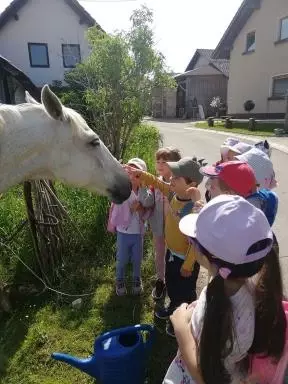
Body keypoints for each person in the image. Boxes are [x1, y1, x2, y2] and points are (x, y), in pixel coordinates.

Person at [163, 195, 286, 384]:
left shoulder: (217, 315)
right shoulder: (253, 286)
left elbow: (206, 376)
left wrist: (181, 330)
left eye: (194, 241)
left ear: (208, 257)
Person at [127, 157, 204, 337]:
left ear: (191, 185)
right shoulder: (173, 195)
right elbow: (156, 182)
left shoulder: (195, 209)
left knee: (185, 291)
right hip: (172, 254)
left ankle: (185, 322)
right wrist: (140, 174)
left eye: (176, 178)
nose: (170, 180)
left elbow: (197, 241)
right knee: (172, 284)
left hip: (186, 261)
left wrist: (188, 264)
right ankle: (173, 308)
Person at [107, 158, 154, 296]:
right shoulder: (122, 190)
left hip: (137, 233)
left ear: (142, 177)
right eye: (129, 173)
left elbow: (148, 206)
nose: (132, 177)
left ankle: (136, 279)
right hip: (123, 231)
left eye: (137, 174)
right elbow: (113, 197)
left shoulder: (143, 193)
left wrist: (139, 208)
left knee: (137, 258)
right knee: (121, 258)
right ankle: (119, 280)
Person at [150, 147, 182, 301]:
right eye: (158, 161)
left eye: (165, 162)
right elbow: (150, 202)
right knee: (159, 253)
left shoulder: (178, 183)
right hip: (158, 225)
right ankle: (160, 280)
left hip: (173, 228)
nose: (160, 165)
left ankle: (173, 281)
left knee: (172, 254)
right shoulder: (155, 182)